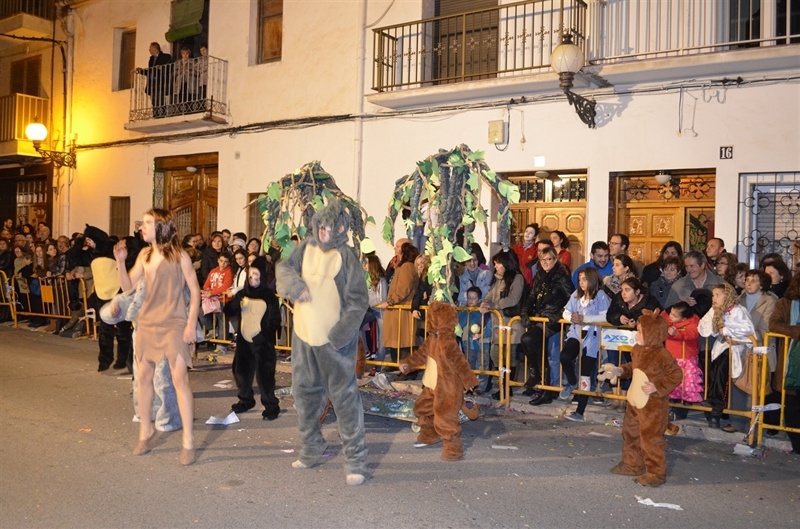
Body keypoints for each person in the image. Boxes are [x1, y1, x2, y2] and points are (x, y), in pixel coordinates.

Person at [275, 198, 370, 485]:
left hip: (334, 344)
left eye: (328, 227)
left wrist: (340, 336)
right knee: (304, 397)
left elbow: (358, 301)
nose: (323, 232)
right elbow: (283, 269)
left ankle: (356, 461)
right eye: (320, 226)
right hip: (304, 339)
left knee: (345, 400)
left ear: (340, 228)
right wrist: (295, 286)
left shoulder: (347, 257)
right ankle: (311, 447)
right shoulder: (305, 247)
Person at [114, 208, 201, 465]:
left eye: (147, 223)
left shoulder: (180, 256)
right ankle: (146, 432)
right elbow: (127, 287)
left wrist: (190, 325)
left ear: (161, 226)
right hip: (148, 322)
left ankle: (188, 440)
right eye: (143, 223)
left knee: (179, 379)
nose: (142, 227)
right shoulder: (144, 254)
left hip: (174, 322)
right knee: (143, 378)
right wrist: (120, 262)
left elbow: (195, 291)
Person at [603, 309, 683, 487]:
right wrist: (620, 370)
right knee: (630, 433)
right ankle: (632, 464)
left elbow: (676, 374)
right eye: (637, 330)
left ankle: (656, 473)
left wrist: (657, 386)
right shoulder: (638, 349)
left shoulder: (662, 354)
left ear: (652, 333)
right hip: (634, 401)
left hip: (653, 404)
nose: (636, 334)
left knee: (650, 439)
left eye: (640, 331)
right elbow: (634, 367)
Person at [224, 256, 282, 419]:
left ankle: (271, 406)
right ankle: (246, 400)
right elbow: (229, 311)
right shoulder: (243, 293)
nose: (252, 278)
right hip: (244, 343)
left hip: (262, 344)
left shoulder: (269, 297)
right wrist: (234, 302)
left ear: (262, 276)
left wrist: (262, 336)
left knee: (265, 377)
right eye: (250, 275)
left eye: (256, 275)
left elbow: (275, 321)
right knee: (241, 373)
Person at [520, 246, 575, 405]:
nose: (545, 262)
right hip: (539, 319)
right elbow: (531, 297)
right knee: (539, 351)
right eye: (542, 259)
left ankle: (547, 387)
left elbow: (572, 300)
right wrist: (525, 312)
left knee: (550, 356)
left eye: (549, 259)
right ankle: (541, 384)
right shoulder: (539, 276)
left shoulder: (562, 277)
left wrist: (557, 316)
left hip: (553, 323)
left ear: (555, 259)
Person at [698, 283, 755, 429]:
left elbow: (748, 329)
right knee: (715, 372)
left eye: (718, 295)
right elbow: (703, 327)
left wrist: (726, 330)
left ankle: (717, 404)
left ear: (727, 296)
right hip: (722, 347)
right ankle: (713, 402)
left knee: (722, 372)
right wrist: (716, 326)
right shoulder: (715, 310)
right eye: (713, 295)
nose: (714, 298)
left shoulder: (738, 310)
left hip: (736, 349)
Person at [560, 268, 611, 420]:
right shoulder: (576, 295)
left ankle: (580, 411)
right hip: (576, 333)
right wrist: (571, 318)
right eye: (580, 279)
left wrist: (585, 319)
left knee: (585, 374)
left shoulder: (600, 295)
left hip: (592, 337)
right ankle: (572, 382)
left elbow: (605, 316)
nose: (581, 283)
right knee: (565, 356)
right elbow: (565, 311)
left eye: (584, 279)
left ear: (592, 279)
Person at [606, 277, 661, 407]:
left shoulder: (650, 301)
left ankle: (627, 397)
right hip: (620, 338)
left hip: (641, 342)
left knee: (633, 366)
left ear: (637, 292)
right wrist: (619, 318)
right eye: (622, 290)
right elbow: (610, 315)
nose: (623, 293)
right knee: (615, 363)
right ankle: (616, 396)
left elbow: (656, 318)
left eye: (627, 290)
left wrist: (638, 322)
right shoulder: (618, 299)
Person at [480, 249, 526, 399]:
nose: (495, 266)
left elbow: (513, 299)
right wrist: (485, 303)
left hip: (512, 326)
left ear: (506, 263)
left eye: (498, 263)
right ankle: (502, 385)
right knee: (495, 355)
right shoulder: (498, 280)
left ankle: (507, 388)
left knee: (509, 357)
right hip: (498, 326)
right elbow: (489, 296)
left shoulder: (517, 278)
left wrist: (494, 306)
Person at [768, 271, 800, 454]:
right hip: (790, 360)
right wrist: (796, 331)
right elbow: (774, 324)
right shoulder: (785, 303)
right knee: (793, 405)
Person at [381, 242, 420, 365]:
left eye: (398, 247)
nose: (395, 249)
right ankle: (397, 365)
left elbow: (403, 289)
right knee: (397, 342)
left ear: (404, 251)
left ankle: (405, 368)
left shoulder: (407, 267)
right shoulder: (402, 267)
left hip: (401, 312)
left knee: (403, 342)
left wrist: (390, 302)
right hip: (398, 311)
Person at [662, 302, 703, 411]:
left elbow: (692, 334)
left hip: (687, 356)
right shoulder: (669, 319)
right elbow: (661, 317)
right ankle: (674, 396)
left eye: (674, 316)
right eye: (671, 313)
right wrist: (667, 309)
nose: (671, 317)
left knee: (688, 378)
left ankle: (688, 397)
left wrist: (677, 334)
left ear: (684, 318)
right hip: (672, 355)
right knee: (673, 376)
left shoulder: (693, 322)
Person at [459, 286, 492, 393]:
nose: (471, 300)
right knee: (468, 365)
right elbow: (460, 323)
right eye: (469, 298)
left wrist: (482, 334)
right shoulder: (465, 311)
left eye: (474, 298)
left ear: (479, 299)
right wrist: (465, 312)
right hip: (468, 343)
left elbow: (490, 327)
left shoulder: (485, 312)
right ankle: (469, 385)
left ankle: (481, 387)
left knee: (483, 365)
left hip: (483, 343)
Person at [202, 251, 233, 350]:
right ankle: (211, 330)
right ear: (218, 260)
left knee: (222, 320)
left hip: (223, 299)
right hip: (211, 299)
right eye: (221, 261)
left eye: (226, 262)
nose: (223, 263)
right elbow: (206, 284)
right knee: (201, 312)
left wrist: (212, 293)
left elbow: (226, 286)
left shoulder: (229, 272)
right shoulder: (213, 271)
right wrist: (208, 290)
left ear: (228, 263)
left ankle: (221, 345)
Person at [137, 42, 172, 118]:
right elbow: (150, 72)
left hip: (160, 83)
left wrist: (161, 68)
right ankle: (156, 116)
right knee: (154, 101)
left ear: (155, 49)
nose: (149, 50)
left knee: (160, 100)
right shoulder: (151, 59)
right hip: (152, 84)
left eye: (150, 48)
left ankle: (161, 116)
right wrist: (141, 71)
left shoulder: (166, 57)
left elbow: (169, 68)